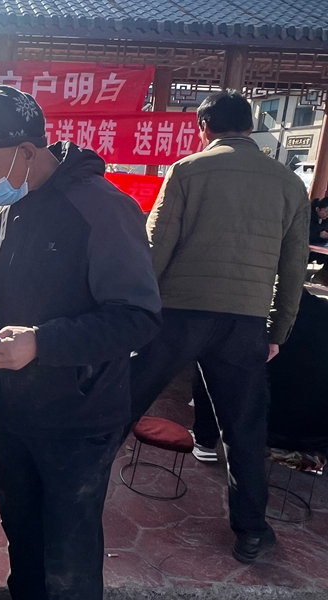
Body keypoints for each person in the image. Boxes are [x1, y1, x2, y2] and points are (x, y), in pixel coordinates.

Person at [0, 86, 161, 600]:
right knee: (23, 539)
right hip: (10, 411)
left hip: (77, 420)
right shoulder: (4, 212)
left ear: (26, 150)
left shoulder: (102, 209)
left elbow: (138, 317)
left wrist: (42, 343)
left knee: (68, 558)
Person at [129, 90, 309, 564]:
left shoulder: (187, 170)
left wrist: (137, 311)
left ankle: (71, 493)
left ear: (203, 127)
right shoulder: (290, 183)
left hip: (177, 314)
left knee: (122, 404)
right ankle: (251, 533)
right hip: (244, 323)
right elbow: (293, 268)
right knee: (244, 429)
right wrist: (277, 331)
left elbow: (155, 247)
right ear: (250, 127)